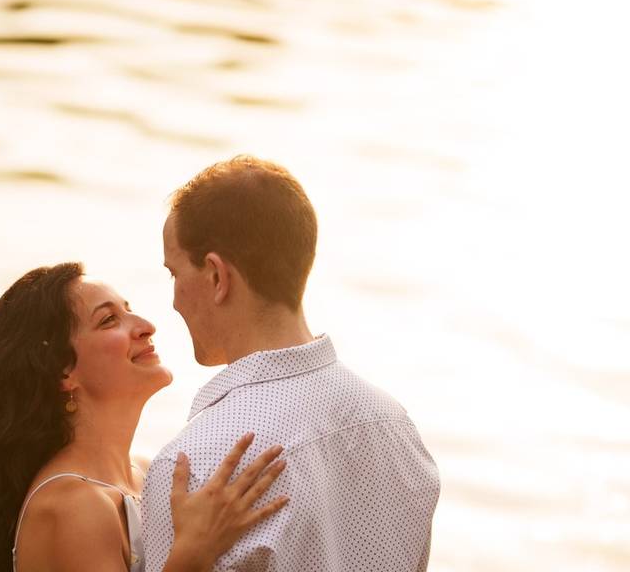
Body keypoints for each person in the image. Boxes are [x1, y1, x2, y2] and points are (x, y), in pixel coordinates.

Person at [142, 156, 441, 571]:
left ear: (216, 277)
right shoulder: (394, 426)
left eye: (174, 273)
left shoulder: (195, 470)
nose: (173, 300)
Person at [0, 262, 290, 572]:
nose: (145, 326)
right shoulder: (72, 505)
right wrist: (194, 551)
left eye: (129, 311)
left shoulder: (144, 472)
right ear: (64, 371)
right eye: (109, 320)